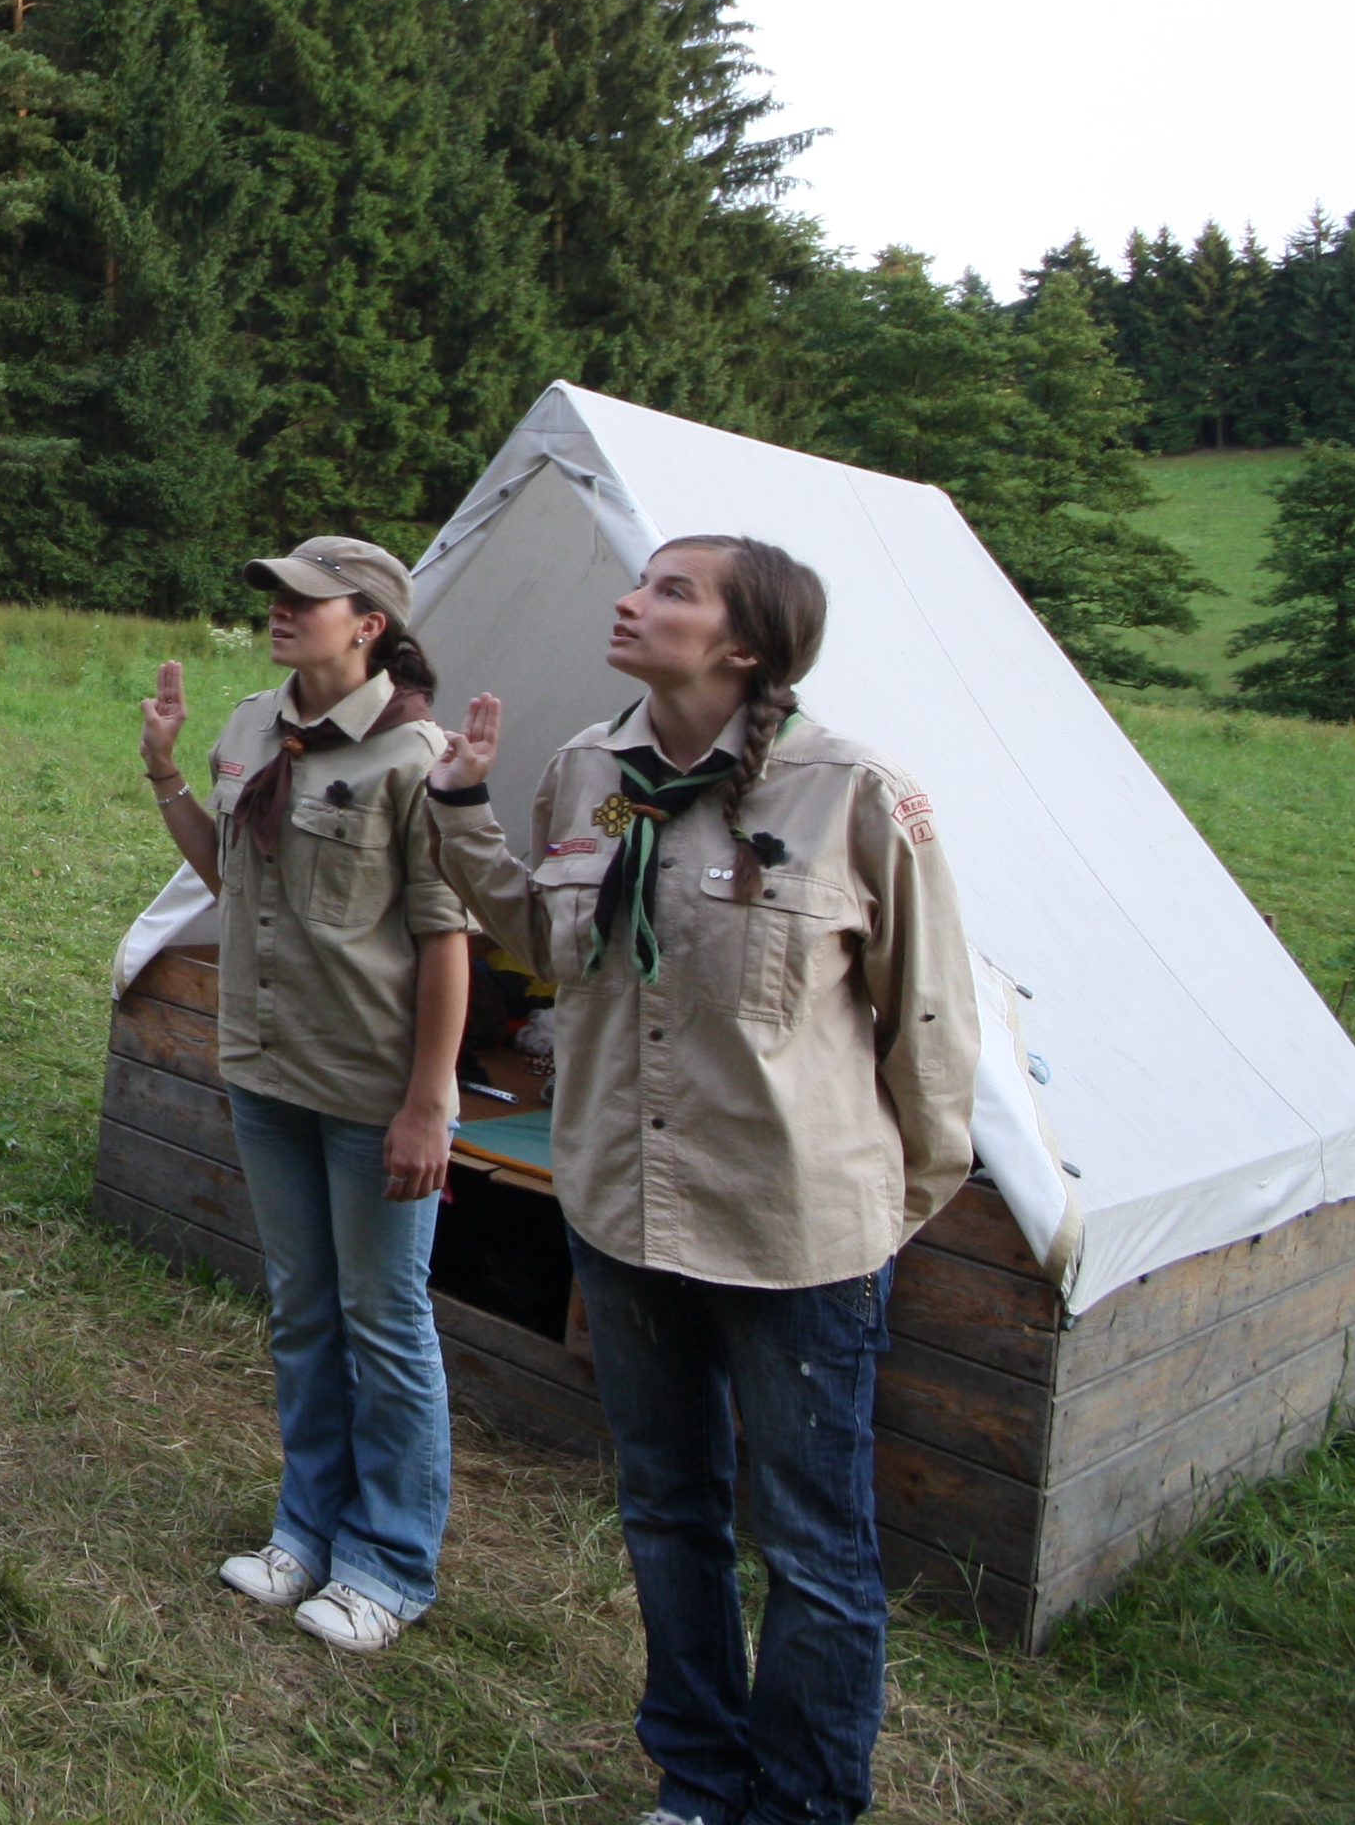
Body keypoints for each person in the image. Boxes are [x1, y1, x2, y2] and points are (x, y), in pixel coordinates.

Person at [425, 537, 977, 1825]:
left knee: (811, 1548)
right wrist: (461, 809)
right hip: (622, 1213)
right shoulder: (598, 776)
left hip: (797, 1236)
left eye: (672, 590)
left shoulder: (853, 797)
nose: (630, 599)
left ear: (747, 645)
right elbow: (547, 937)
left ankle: (801, 1803)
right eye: (640, 581)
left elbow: (933, 1027)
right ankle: (697, 1775)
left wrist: (890, 1212)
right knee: (668, 1511)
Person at [140, 534, 468, 1656]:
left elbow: (444, 938)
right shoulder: (248, 726)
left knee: (386, 1324)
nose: (280, 610)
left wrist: (430, 1102)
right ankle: (305, 1528)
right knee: (302, 1311)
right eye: (273, 592)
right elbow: (231, 876)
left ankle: (388, 1564)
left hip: (370, 1083)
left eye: (305, 599)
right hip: (268, 1067)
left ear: (368, 623)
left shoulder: (416, 756)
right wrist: (167, 774)